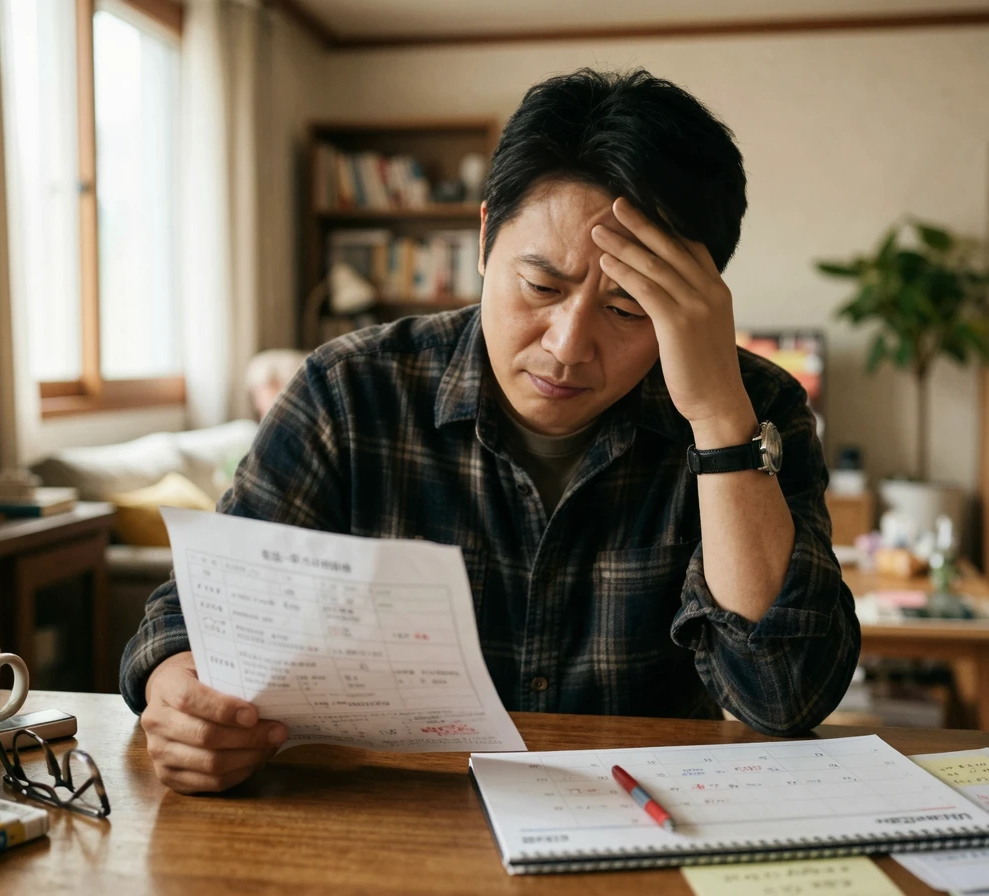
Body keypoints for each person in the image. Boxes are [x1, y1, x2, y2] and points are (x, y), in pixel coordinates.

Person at [122, 68, 860, 794]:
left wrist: (719, 424)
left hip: (637, 832)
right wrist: (180, 691)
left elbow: (784, 697)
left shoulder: (755, 406)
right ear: (483, 241)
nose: (569, 345)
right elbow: (190, 613)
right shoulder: (351, 391)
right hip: (386, 824)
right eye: (541, 286)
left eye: (631, 308)